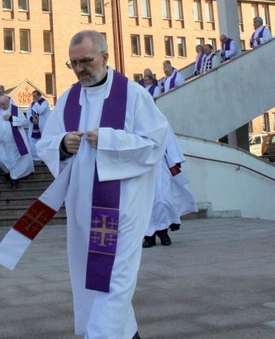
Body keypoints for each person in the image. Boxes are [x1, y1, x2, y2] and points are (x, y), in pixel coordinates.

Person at [36, 29, 170, 338]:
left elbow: (155, 142)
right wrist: (61, 143)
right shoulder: (69, 98)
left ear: (105, 57)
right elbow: (45, 144)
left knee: (114, 278)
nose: (80, 68)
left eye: (85, 60)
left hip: (121, 207)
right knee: (90, 278)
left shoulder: (133, 94)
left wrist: (108, 139)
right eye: (73, 63)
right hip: (83, 208)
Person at [143, 131, 197, 248]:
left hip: (161, 165)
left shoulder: (161, 119)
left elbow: (169, 139)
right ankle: (149, 236)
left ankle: (163, 232)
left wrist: (175, 160)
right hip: (143, 164)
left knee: (164, 200)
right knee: (147, 202)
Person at [0, 94, 34, 188]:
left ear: (8, 101)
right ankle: (9, 172)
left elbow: (24, 121)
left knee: (14, 160)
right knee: (2, 160)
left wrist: (11, 118)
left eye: (4, 104)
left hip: (15, 142)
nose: (3, 106)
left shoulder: (16, 109)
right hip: (2, 141)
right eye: (1, 104)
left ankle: (14, 179)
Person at [28, 90, 51, 163]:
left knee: (43, 141)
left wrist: (36, 103)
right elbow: (28, 113)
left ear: (39, 95)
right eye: (33, 96)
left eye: (35, 96)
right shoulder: (32, 104)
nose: (33, 98)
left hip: (42, 126)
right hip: (34, 126)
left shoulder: (44, 102)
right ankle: (34, 157)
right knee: (33, 141)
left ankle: (43, 158)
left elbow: (40, 111)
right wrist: (32, 119)